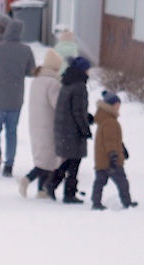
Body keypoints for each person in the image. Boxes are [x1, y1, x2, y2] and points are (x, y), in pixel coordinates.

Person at [0, 18, 36, 177]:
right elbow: (31, 71)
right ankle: (9, 165)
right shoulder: (26, 50)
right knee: (11, 132)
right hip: (15, 99)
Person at [20, 50, 65, 198]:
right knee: (48, 160)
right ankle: (27, 179)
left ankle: (41, 190)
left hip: (36, 123)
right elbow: (58, 105)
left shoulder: (37, 80)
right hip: (49, 124)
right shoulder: (53, 83)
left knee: (43, 157)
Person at [50, 56, 94, 204]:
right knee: (74, 161)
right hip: (73, 130)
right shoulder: (79, 86)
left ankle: (53, 184)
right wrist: (85, 129)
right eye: (88, 69)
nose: (89, 72)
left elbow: (72, 108)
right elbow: (78, 111)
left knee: (71, 160)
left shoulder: (68, 82)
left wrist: (87, 117)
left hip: (65, 127)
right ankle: (67, 193)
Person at [91, 90, 137, 210]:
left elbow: (113, 139)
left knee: (100, 182)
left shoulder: (104, 119)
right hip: (111, 160)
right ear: (112, 105)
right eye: (117, 104)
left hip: (102, 158)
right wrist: (113, 154)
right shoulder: (110, 121)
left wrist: (122, 148)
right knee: (122, 182)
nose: (119, 107)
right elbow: (110, 140)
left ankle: (96, 202)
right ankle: (127, 202)